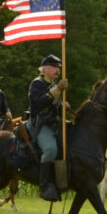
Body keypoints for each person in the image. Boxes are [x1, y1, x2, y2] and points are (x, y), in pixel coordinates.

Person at [28, 55, 65, 202]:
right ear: (46, 68)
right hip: (40, 123)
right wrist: (57, 90)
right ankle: (44, 185)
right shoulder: (37, 84)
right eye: (55, 67)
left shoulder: (53, 84)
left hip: (54, 123)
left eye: (58, 68)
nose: (57, 70)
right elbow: (39, 104)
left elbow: (56, 105)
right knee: (51, 149)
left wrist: (64, 106)